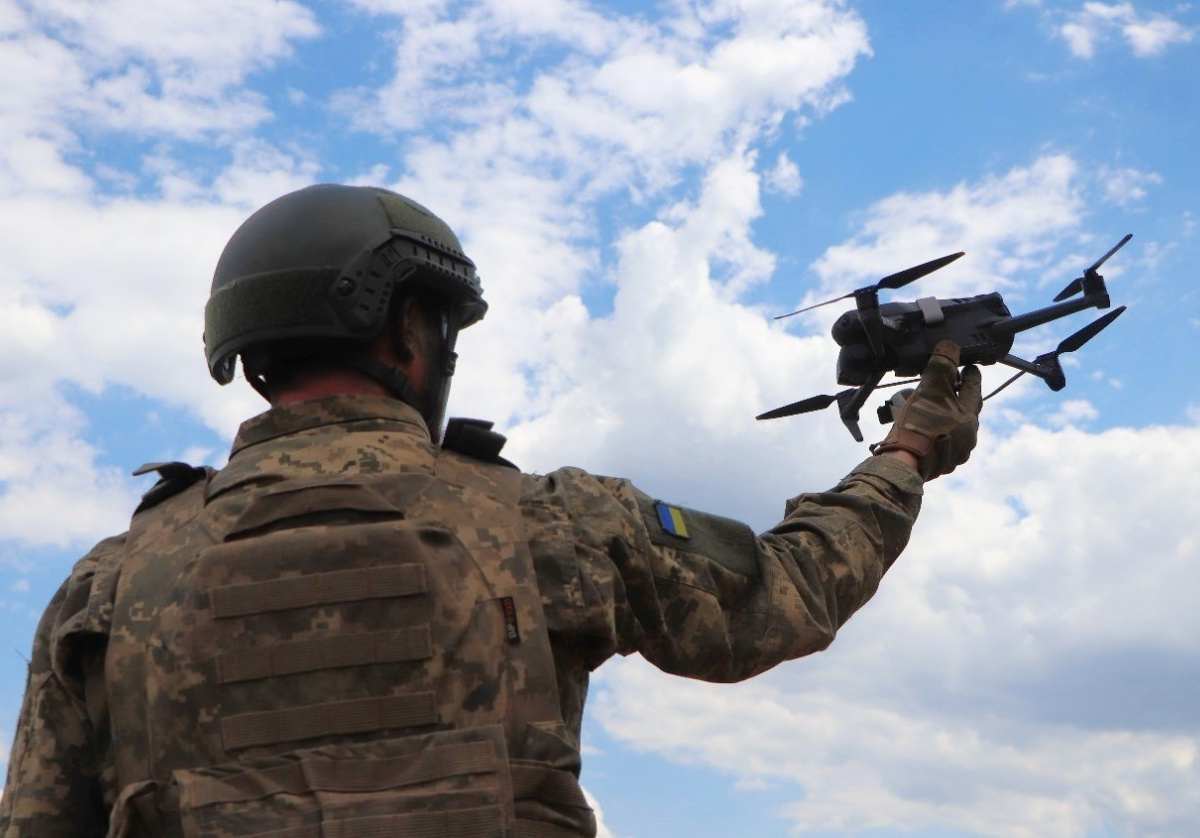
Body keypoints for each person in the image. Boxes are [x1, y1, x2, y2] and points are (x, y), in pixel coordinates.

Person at [0, 184, 982, 837]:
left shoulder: (110, 588)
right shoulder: (550, 524)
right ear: (407, 328)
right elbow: (788, 594)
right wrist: (906, 452)